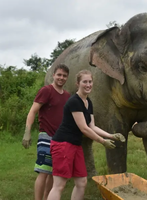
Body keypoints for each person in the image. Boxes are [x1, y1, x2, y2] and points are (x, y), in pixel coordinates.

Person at [47, 70, 125, 200]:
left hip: (76, 145)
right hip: (63, 144)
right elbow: (83, 128)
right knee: (59, 185)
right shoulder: (74, 101)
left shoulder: (88, 102)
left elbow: (92, 126)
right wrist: (102, 141)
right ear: (78, 83)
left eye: (90, 82)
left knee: (81, 182)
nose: (88, 85)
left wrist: (111, 136)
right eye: (84, 82)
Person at [22, 63, 71, 200]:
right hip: (46, 136)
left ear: (67, 78)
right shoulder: (46, 91)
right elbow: (32, 111)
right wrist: (27, 132)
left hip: (60, 139)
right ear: (53, 75)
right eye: (59, 75)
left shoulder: (67, 96)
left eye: (64, 76)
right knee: (43, 172)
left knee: (53, 173)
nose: (61, 78)